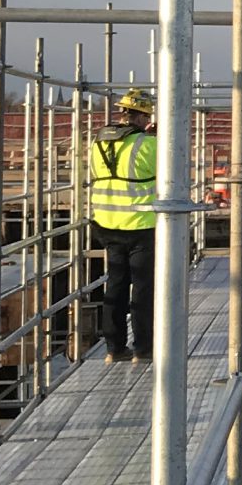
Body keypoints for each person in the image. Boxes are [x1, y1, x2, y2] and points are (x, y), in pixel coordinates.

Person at [87, 88, 158, 362]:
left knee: (115, 284)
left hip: (106, 224)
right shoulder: (148, 144)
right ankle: (143, 348)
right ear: (142, 117)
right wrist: (157, 137)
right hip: (140, 224)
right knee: (142, 287)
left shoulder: (98, 143)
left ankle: (114, 348)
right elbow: (168, 171)